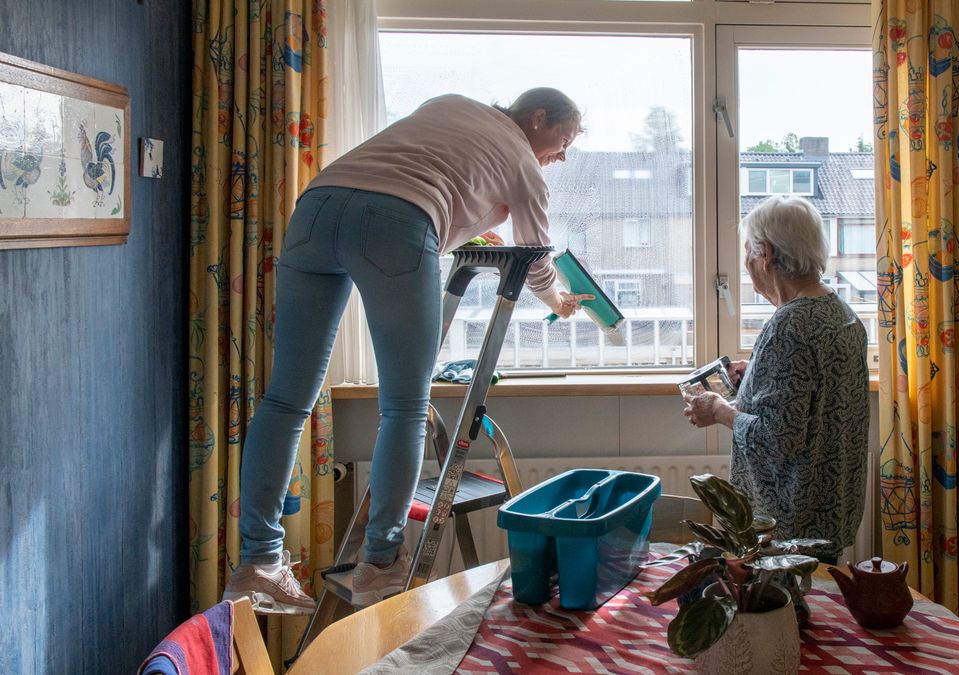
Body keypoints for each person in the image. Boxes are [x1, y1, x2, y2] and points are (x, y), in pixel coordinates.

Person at [222, 89, 591, 614]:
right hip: (397, 222)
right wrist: (558, 298)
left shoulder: (450, 104)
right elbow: (534, 256)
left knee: (285, 400)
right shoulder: (521, 161)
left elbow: (436, 171)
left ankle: (258, 561)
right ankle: (381, 561)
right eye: (564, 140)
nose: (562, 155)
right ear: (538, 118)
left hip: (318, 207)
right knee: (405, 406)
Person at [682, 195, 869, 564]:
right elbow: (811, 402)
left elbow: (778, 438)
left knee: (782, 618)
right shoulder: (840, 311)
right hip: (831, 511)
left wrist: (718, 409)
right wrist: (756, 377)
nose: (747, 266)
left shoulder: (789, 326)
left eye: (747, 256)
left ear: (765, 253)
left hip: (788, 524)